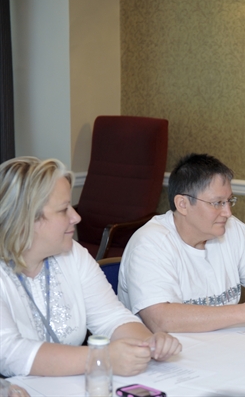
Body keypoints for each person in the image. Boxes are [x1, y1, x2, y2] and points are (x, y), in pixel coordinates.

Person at [0, 157, 181, 378]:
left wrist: (149, 343)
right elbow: (9, 353)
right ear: (26, 219)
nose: (76, 217)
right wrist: (101, 358)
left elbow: (111, 318)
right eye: (63, 209)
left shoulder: (72, 254)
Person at [118, 154, 245, 332]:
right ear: (182, 204)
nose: (227, 212)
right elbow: (160, 320)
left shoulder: (232, 229)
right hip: (162, 347)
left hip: (223, 343)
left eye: (229, 201)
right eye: (217, 203)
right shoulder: (149, 244)